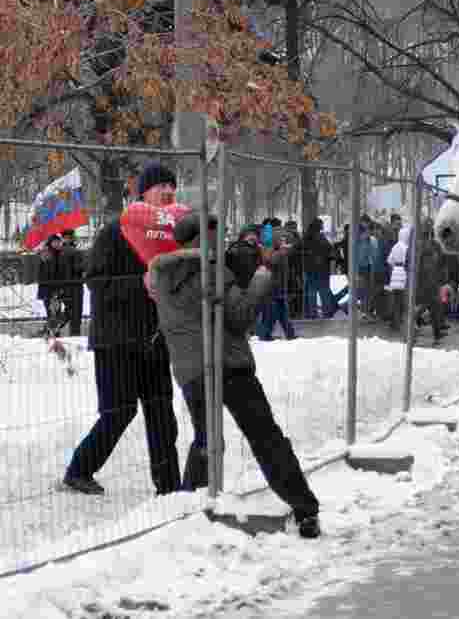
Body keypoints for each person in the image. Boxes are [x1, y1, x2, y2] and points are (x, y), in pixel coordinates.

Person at [147, 212, 320, 538]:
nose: (223, 241)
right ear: (205, 238)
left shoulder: (162, 276)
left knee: (206, 441)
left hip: (191, 371)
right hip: (229, 365)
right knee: (265, 437)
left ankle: (192, 511)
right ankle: (304, 508)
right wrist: (262, 276)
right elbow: (240, 315)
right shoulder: (212, 269)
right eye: (218, 234)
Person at [62, 163, 181, 496]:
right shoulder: (116, 230)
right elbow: (95, 281)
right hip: (115, 339)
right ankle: (79, 470)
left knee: (161, 412)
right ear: (143, 193)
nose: (168, 191)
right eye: (161, 186)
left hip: (155, 338)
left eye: (172, 186)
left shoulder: (172, 233)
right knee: (119, 411)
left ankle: (169, 488)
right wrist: (139, 283)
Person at [254, 228, 298, 341]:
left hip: (278, 285)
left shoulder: (277, 251)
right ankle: (266, 334)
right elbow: (270, 262)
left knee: (280, 310)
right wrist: (281, 252)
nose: (285, 243)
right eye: (282, 240)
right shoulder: (273, 251)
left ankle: (289, 333)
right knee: (273, 312)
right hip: (273, 286)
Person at [299, 218, 337, 319]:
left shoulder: (306, 238)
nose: (323, 227)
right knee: (324, 291)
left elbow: (299, 249)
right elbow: (330, 250)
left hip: (310, 269)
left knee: (312, 292)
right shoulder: (321, 237)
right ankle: (326, 312)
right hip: (322, 269)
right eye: (322, 225)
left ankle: (312, 313)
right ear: (319, 226)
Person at [385, 224, 412, 332]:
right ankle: (403, 323)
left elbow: (389, 261)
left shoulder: (395, 246)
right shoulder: (407, 247)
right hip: (404, 274)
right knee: (404, 301)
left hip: (395, 274)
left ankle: (395, 323)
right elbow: (408, 262)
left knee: (396, 300)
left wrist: (394, 269)